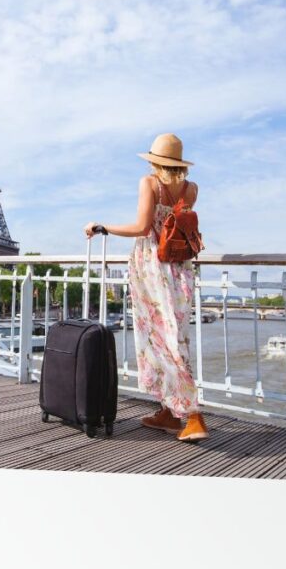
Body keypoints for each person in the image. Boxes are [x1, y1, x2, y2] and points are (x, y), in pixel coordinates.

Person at [83, 132, 208, 442]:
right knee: (173, 337)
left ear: (155, 161)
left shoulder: (149, 183)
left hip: (153, 267)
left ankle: (193, 415)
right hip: (180, 269)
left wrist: (103, 226)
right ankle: (168, 411)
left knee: (160, 340)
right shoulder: (191, 190)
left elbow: (142, 227)